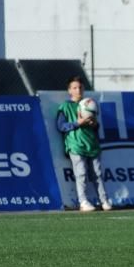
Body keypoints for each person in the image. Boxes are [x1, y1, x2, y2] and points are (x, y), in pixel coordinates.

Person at [55, 76, 112, 212]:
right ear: (69, 90)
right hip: (75, 145)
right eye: (74, 87)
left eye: (80, 87)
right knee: (81, 174)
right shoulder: (65, 106)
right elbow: (61, 126)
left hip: (91, 144)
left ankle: (104, 200)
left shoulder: (89, 103)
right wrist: (77, 123)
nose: (78, 90)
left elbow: (96, 127)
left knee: (97, 174)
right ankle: (83, 201)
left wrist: (94, 124)